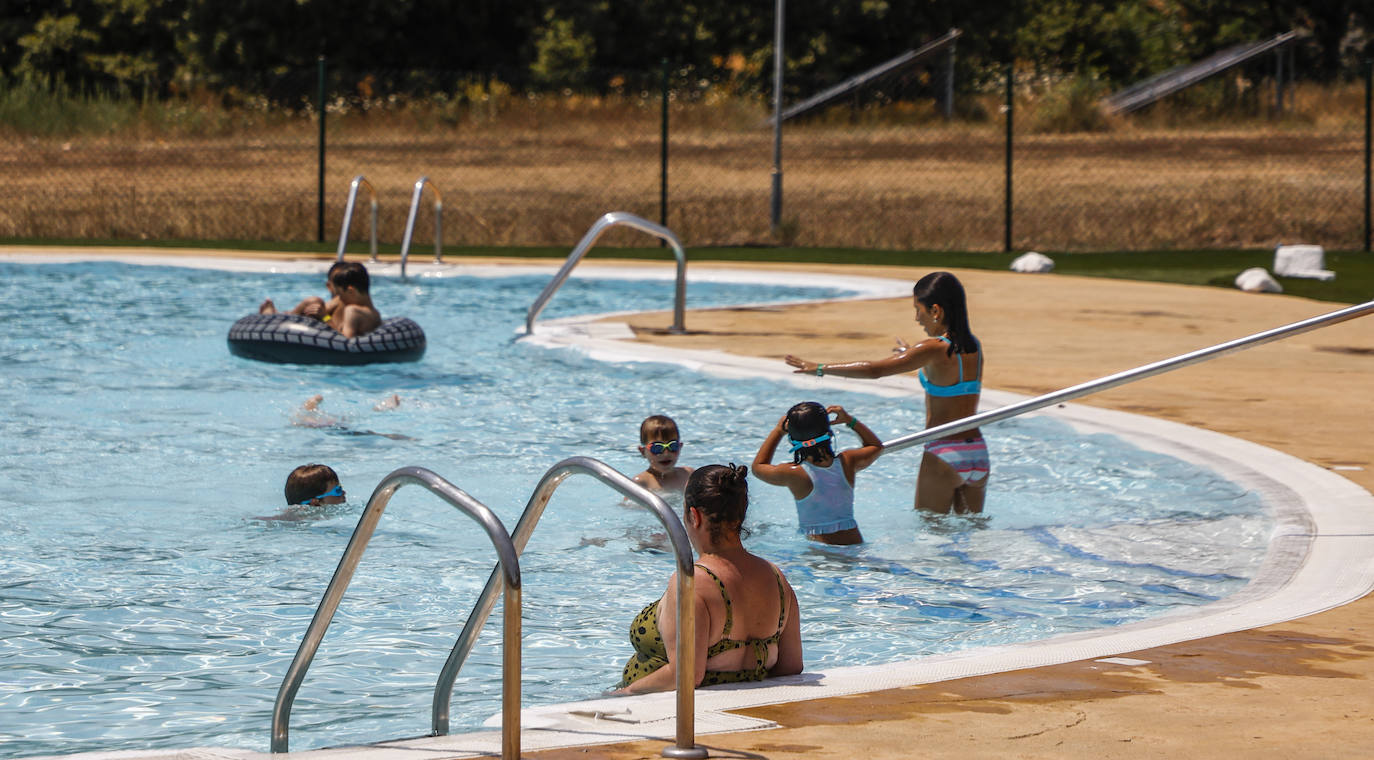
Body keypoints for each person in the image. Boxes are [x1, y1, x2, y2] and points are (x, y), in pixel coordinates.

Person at [784, 271, 989, 514]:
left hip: (945, 452)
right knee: (971, 535)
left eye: (918, 309)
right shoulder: (972, 345)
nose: (916, 318)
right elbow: (944, 370)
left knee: (930, 537)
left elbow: (874, 370)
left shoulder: (931, 349)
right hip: (976, 451)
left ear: (936, 311)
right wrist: (909, 352)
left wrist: (819, 368)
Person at [614, 464, 803, 694]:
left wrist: (619, 695)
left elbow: (685, 675)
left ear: (694, 516)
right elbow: (792, 666)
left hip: (669, 719)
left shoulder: (691, 584)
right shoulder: (776, 578)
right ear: (741, 514)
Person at [751, 402, 883, 545]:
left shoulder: (793, 473)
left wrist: (777, 431)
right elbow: (876, 446)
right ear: (828, 432)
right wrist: (849, 420)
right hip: (855, 544)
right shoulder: (847, 461)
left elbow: (758, 467)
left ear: (792, 437)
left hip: (821, 551)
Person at [259, 261, 380, 338]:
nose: (339, 299)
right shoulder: (374, 313)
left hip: (329, 339)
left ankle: (274, 318)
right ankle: (278, 316)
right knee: (314, 302)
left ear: (350, 291)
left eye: (340, 294)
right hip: (328, 325)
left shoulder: (353, 311)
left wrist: (325, 318)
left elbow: (345, 343)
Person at [260, 261, 346, 322]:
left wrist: (325, 317)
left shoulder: (342, 302)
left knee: (314, 301)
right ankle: (280, 315)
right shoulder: (339, 302)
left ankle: (276, 316)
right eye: (338, 281)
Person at [632, 415, 694, 493]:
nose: (666, 453)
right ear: (643, 451)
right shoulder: (641, 483)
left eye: (672, 446)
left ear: (680, 447)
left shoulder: (688, 475)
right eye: (657, 448)